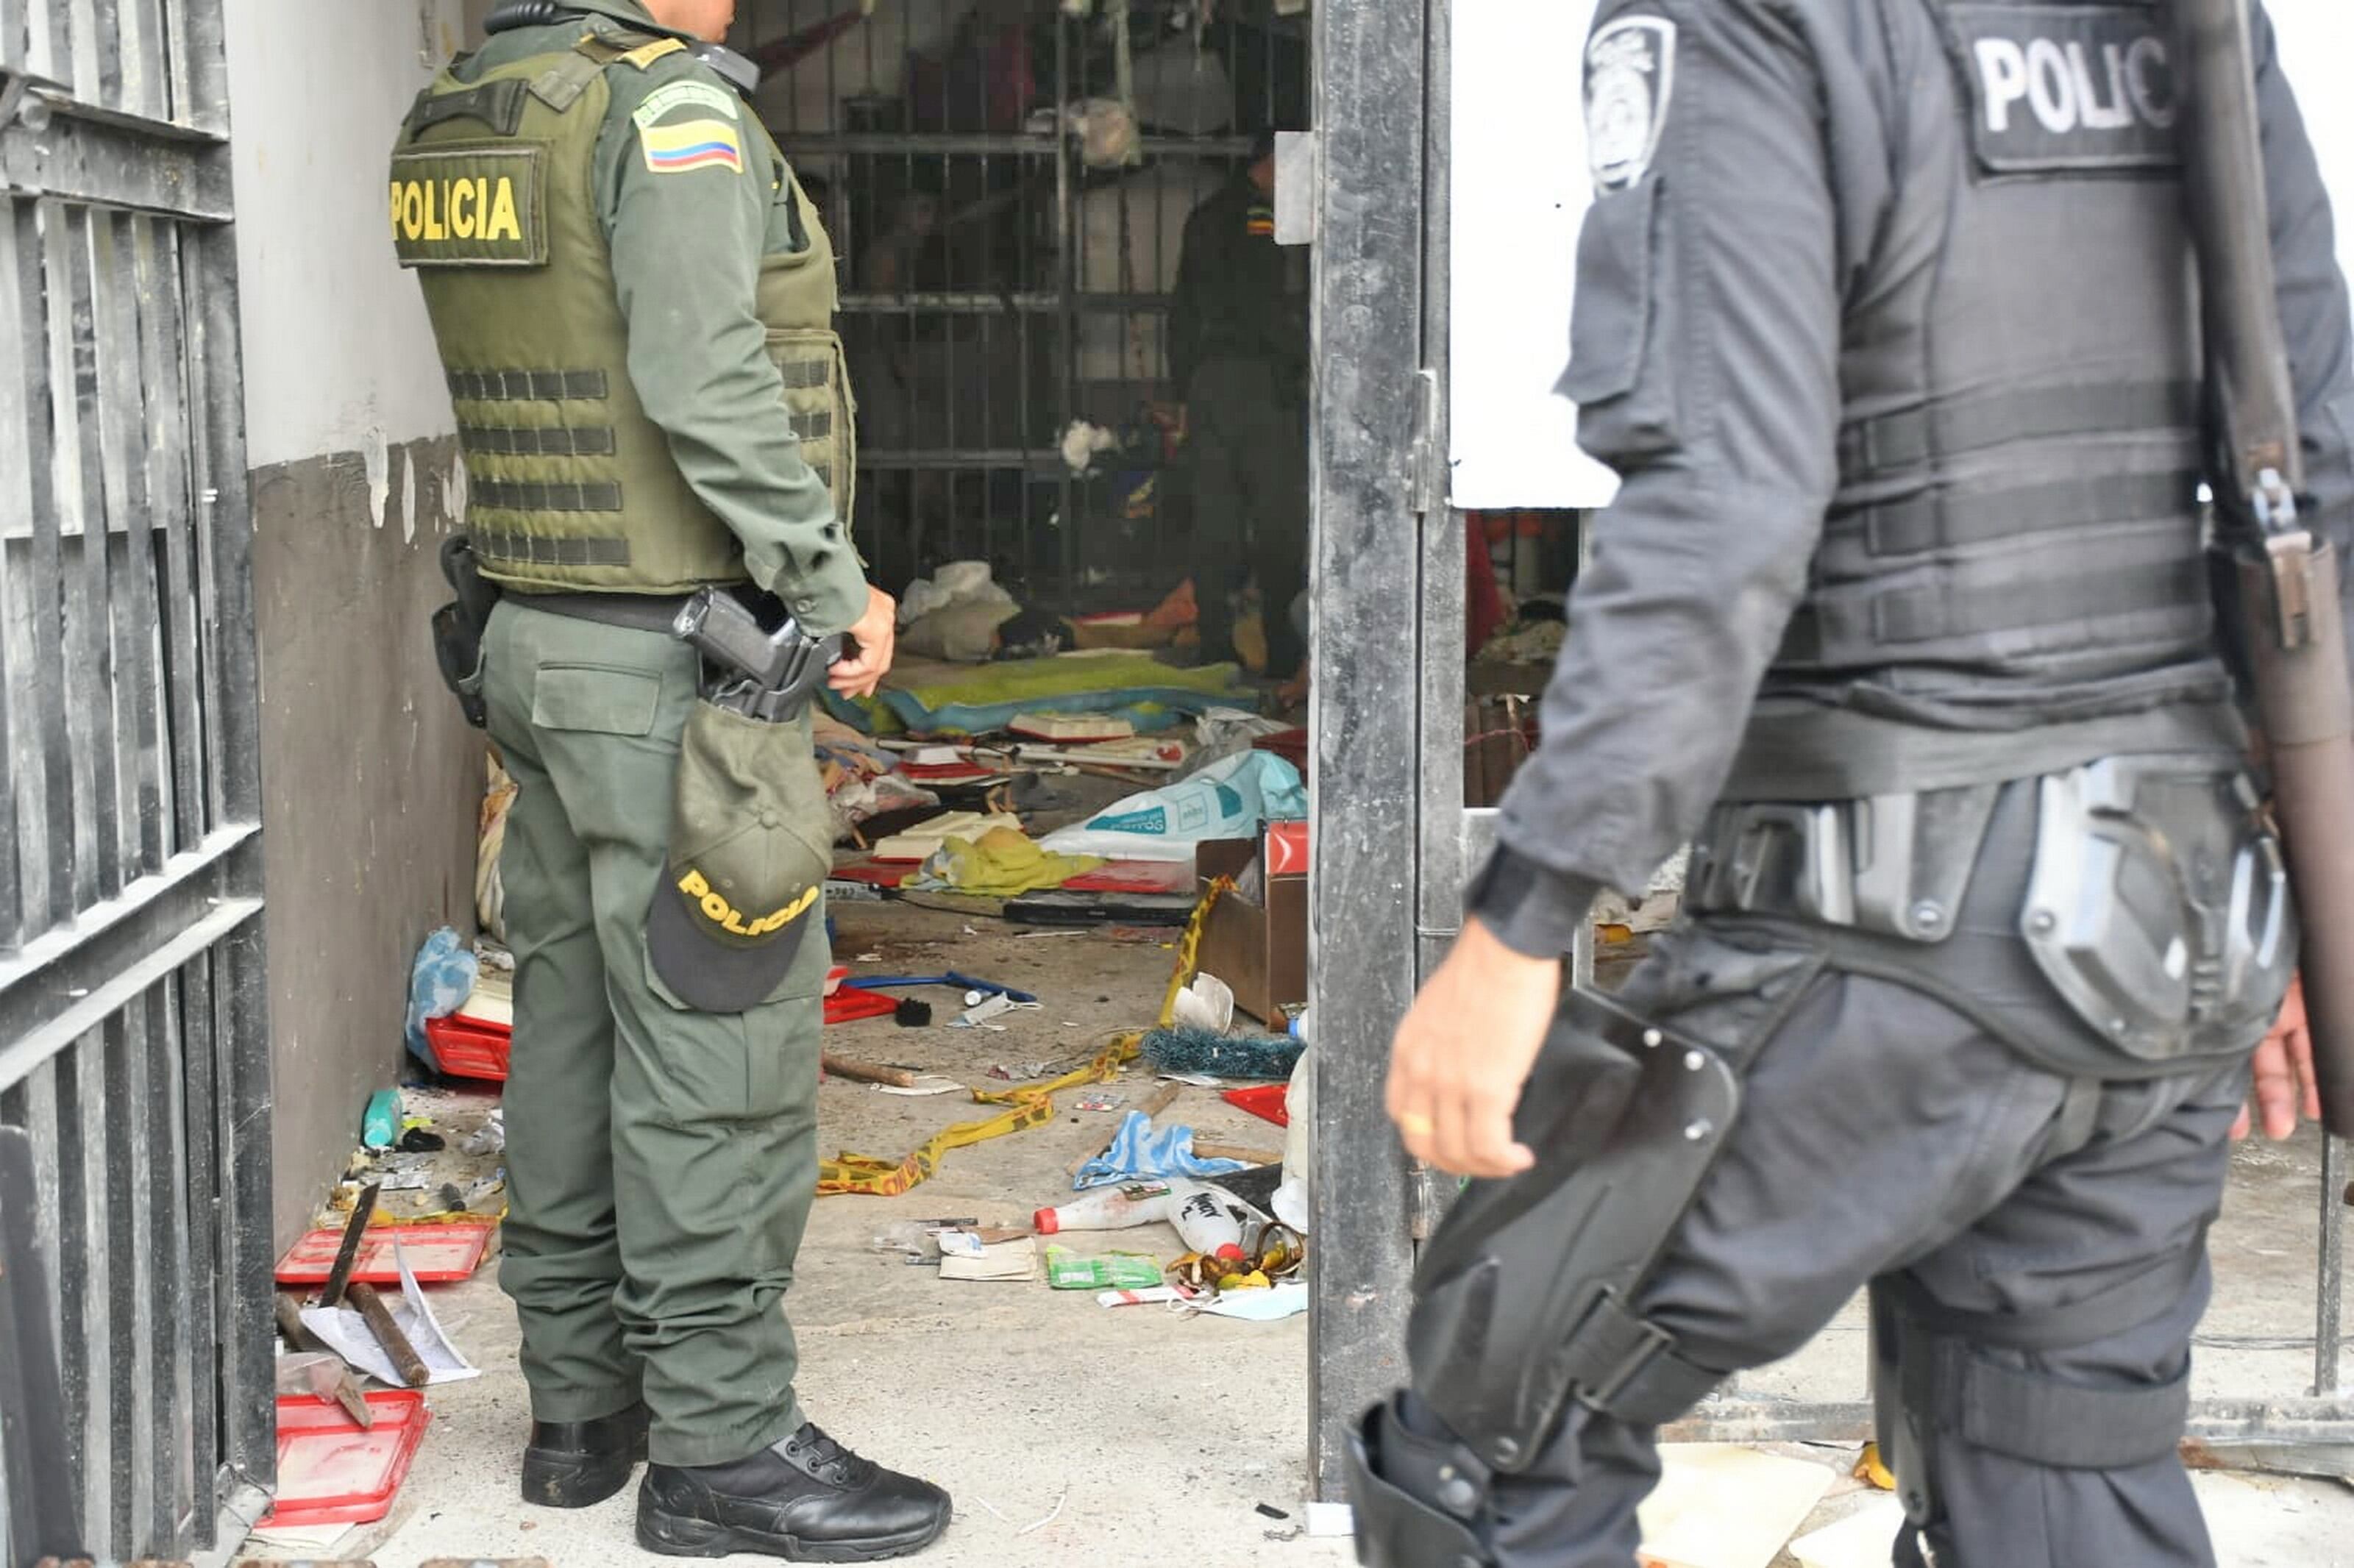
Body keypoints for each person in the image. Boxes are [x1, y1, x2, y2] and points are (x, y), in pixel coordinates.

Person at [1353, 4, 2343, 1567]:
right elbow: (2306, 470)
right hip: (2174, 918)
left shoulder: (1749, 20)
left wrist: (1522, 920)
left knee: (1496, 1418)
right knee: (2055, 1467)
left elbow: (1725, 509)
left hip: (1893, 923)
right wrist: (2285, 867)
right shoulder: (2190, 19)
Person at [391, 1, 951, 1559]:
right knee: (723, 1037)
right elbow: (706, 378)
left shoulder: (473, 106)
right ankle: (720, 1441)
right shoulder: (667, 115)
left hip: (535, 636)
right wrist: (831, 580)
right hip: (668, 670)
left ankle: (582, 1410)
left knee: (569, 1018)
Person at [1170, 128, 1311, 681]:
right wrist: (1306, 361)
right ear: (1273, 162)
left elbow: (1181, 314)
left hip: (1209, 386)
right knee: (1277, 520)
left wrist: (1185, 389)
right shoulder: (1258, 221)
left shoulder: (1205, 215)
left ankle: (1215, 645)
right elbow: (1264, 311)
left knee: (1216, 520)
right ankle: (1280, 648)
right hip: (1257, 387)